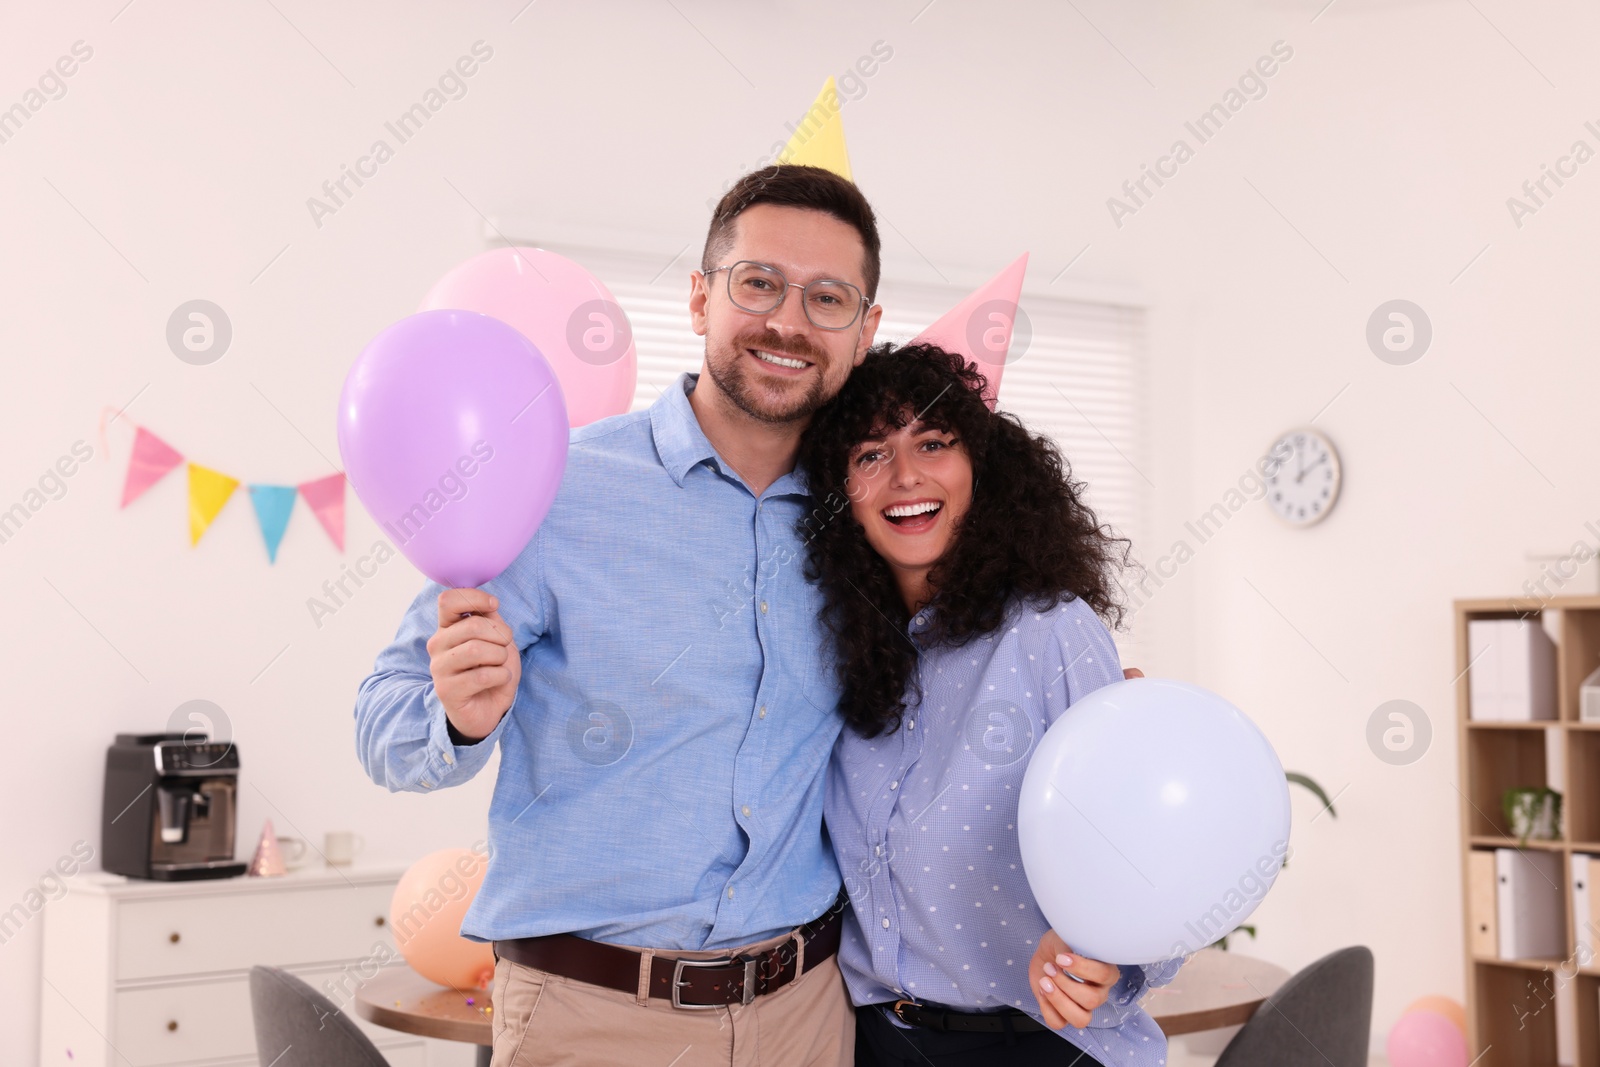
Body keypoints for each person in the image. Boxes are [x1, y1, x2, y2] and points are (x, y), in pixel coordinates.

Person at [353, 164, 887, 1066]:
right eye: (759, 283)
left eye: (827, 297)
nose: (789, 322)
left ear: (865, 331)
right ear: (699, 297)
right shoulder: (552, 486)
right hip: (590, 1018)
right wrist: (453, 713)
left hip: (806, 1017)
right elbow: (382, 720)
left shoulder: (870, 518)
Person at [796, 342, 1187, 1067]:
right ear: (840, 492)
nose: (906, 474)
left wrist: (1109, 961)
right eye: (870, 454)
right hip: (880, 1043)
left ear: (981, 465)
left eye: (934, 443)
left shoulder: (1050, 632)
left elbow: (1151, 845)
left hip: (1040, 1045)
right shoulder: (843, 656)